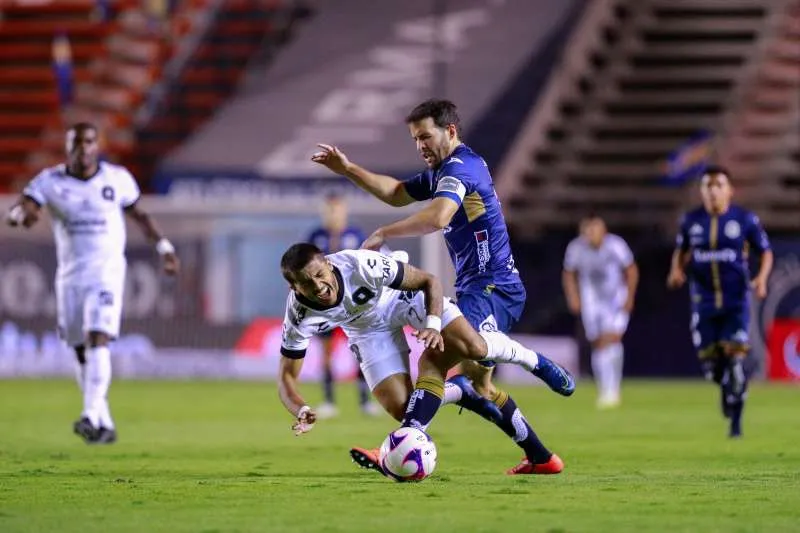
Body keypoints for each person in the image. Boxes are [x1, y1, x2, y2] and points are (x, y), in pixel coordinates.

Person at [311, 99, 574, 475]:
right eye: (414, 139)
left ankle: (400, 444)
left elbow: (438, 216)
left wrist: (386, 231)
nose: (419, 146)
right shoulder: (441, 172)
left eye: (425, 136)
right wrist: (348, 169)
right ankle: (542, 457)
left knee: (434, 361)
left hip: (492, 287)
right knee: (480, 387)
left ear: (450, 132)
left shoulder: (459, 167)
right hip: (480, 287)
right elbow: (395, 192)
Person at [279, 244, 567, 474]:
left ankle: (532, 360)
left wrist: (431, 324)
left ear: (328, 264)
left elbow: (429, 281)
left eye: (319, 275)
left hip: (403, 298)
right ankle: (458, 395)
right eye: (306, 283)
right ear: (294, 288)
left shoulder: (360, 265)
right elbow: (286, 377)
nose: (318, 286)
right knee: (406, 407)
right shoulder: (298, 316)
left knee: (475, 348)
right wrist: (300, 408)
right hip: (367, 331)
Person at [5, 122, 180, 444]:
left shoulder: (117, 179)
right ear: (67, 147)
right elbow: (25, 206)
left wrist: (164, 247)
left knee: (98, 337)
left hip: (107, 272)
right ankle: (102, 419)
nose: (83, 148)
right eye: (76, 143)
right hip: (70, 277)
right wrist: (18, 215)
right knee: (80, 349)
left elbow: (140, 215)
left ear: (96, 146)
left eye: (88, 142)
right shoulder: (51, 181)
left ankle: (88, 414)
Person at [667, 165, 772, 438]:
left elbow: (766, 252)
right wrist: (676, 270)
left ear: (729, 190)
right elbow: (682, 250)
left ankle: (736, 426)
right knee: (712, 368)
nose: (713, 191)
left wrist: (761, 279)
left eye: (718, 185)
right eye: (707, 186)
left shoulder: (745, 219)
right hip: (703, 302)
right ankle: (726, 387)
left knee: (735, 360)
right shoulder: (691, 221)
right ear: (701, 191)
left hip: (736, 301)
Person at [306, 194, 379, 418]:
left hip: (352, 303)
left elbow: (367, 265)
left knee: (360, 351)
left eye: (336, 210)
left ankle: (365, 401)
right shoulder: (315, 236)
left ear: (344, 212)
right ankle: (329, 401)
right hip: (325, 305)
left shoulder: (355, 235)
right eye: (329, 210)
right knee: (326, 353)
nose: (333, 215)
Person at [563, 214, 638, 409]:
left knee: (611, 338)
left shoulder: (616, 245)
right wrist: (573, 297)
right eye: (587, 230)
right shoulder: (576, 248)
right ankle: (606, 388)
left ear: (603, 230)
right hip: (592, 302)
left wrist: (629, 297)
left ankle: (612, 389)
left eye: (594, 229)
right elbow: (569, 273)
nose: (591, 233)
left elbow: (631, 270)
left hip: (615, 299)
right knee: (597, 343)